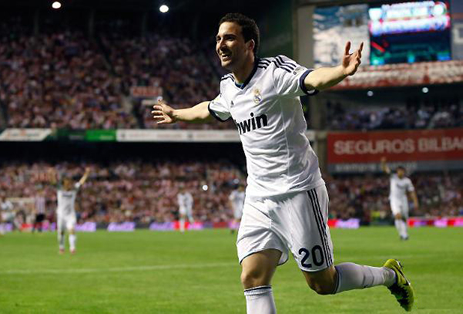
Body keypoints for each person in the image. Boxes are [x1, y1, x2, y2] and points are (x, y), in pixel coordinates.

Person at [152, 13, 414, 313]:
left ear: (249, 45)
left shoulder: (274, 71)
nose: (220, 45)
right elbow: (210, 109)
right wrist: (177, 114)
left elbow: (310, 79)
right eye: (218, 39)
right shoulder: (228, 87)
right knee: (252, 277)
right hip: (259, 198)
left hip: (298, 191)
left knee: (322, 283)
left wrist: (340, 71)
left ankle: (391, 276)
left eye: (229, 38)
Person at [49, 167, 90, 254]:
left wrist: (86, 174)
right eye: (67, 183)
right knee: (61, 233)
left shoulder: (74, 190)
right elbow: (53, 182)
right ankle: (61, 247)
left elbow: (81, 182)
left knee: (72, 230)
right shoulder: (59, 189)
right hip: (61, 214)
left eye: (70, 183)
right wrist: (51, 174)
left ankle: (72, 248)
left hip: (70, 214)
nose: (69, 185)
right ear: (64, 184)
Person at [381, 157, 419, 241]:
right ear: (397, 171)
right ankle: (402, 234)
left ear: (404, 172)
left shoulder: (407, 181)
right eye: (398, 170)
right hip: (394, 199)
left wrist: (415, 202)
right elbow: (385, 169)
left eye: (402, 170)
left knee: (404, 218)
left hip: (403, 199)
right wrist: (383, 163)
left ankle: (405, 233)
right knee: (397, 215)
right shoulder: (393, 177)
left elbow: (412, 192)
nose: (400, 172)